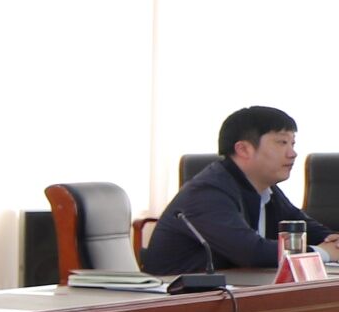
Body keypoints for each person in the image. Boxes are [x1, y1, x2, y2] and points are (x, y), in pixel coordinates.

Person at [141, 105, 334, 277]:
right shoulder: (207, 192)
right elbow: (251, 252)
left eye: (293, 144)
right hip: (177, 298)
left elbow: (306, 229)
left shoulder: (266, 189)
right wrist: (323, 253)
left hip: (235, 289)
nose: (292, 153)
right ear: (243, 149)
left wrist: (333, 242)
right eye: (282, 143)